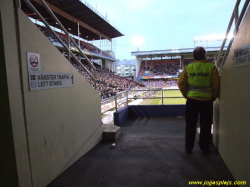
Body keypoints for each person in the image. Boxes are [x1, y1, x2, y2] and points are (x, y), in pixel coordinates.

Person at [178, 47, 220, 155]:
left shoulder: (188, 68)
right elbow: (216, 85)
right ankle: (204, 148)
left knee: (190, 125)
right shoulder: (211, 68)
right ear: (204, 55)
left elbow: (181, 83)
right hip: (207, 101)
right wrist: (213, 96)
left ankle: (188, 148)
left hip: (192, 100)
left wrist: (186, 95)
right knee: (205, 125)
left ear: (194, 56)